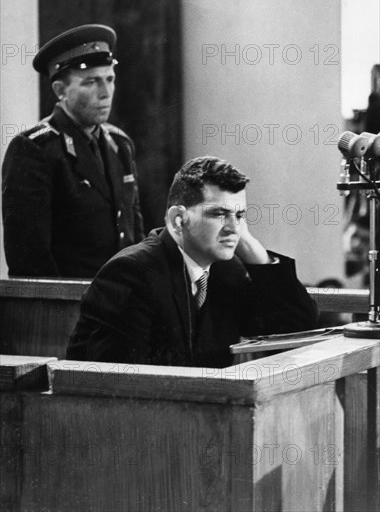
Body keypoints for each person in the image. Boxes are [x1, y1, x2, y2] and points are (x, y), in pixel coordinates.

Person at [66, 156, 317, 368]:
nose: (233, 228)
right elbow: (116, 382)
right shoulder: (131, 273)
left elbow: (296, 327)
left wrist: (251, 247)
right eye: (219, 213)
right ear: (178, 219)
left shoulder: (226, 272)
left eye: (240, 215)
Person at [2, 24, 144, 278]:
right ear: (60, 91)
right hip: (69, 309)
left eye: (109, 79)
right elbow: (29, 260)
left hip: (123, 304)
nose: (105, 93)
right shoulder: (35, 149)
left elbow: (135, 239)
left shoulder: (120, 145)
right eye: (91, 82)